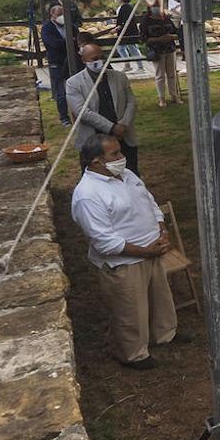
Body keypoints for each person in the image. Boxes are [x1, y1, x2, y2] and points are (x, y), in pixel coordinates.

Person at [70, 132, 177, 370]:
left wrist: (161, 230)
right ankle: (133, 353)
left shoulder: (126, 175)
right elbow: (104, 242)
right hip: (125, 263)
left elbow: (149, 201)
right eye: (115, 153)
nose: (122, 157)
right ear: (96, 161)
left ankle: (164, 334)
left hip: (153, 251)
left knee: (159, 298)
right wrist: (145, 251)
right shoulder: (87, 195)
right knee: (130, 311)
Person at [66, 42, 139, 175]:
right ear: (84, 60)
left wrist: (123, 124)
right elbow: (82, 111)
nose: (100, 61)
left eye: (102, 57)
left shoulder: (120, 77)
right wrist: (112, 127)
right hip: (93, 141)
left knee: (130, 173)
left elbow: (131, 101)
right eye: (94, 59)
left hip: (124, 137)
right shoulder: (73, 83)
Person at [136, 0, 181, 107]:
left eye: (159, 5)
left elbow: (175, 32)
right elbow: (143, 39)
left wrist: (172, 36)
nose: (157, 7)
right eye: (155, 5)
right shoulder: (146, 20)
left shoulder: (166, 18)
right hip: (157, 51)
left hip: (170, 48)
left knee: (172, 74)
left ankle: (174, 95)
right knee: (160, 75)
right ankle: (162, 98)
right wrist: (159, 38)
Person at [42, 3, 71, 126]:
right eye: (59, 14)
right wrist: (67, 42)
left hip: (71, 60)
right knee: (61, 91)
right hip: (57, 62)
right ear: (52, 15)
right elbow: (52, 44)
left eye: (63, 14)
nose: (62, 17)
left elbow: (77, 38)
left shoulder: (69, 26)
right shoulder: (47, 28)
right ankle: (64, 117)